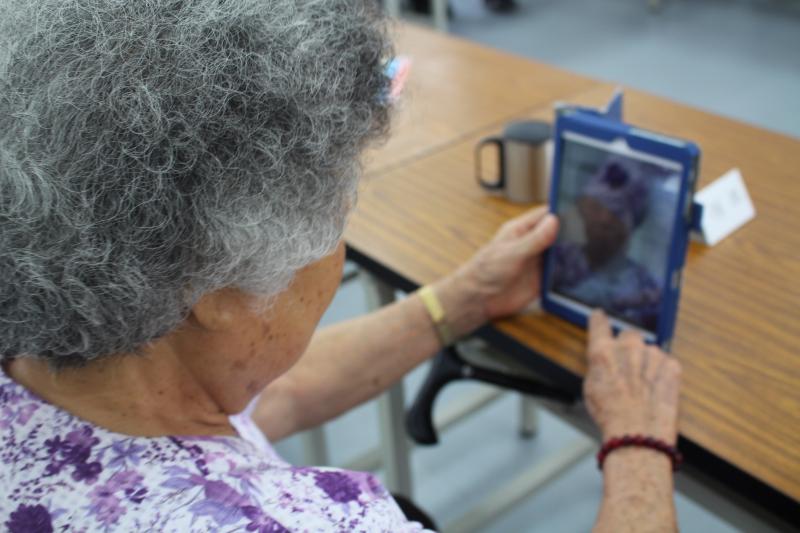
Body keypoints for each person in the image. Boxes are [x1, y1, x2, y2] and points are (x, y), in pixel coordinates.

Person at [0, 1, 681, 531]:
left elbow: (271, 401)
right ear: (217, 286)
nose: (340, 247)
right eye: (336, 211)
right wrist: (639, 441)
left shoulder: (69, 371)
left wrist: (463, 299)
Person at [552, 159, 662, 330]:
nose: (604, 220)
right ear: (581, 208)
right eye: (596, 208)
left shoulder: (648, 291)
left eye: (617, 213)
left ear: (632, 226)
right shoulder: (557, 260)